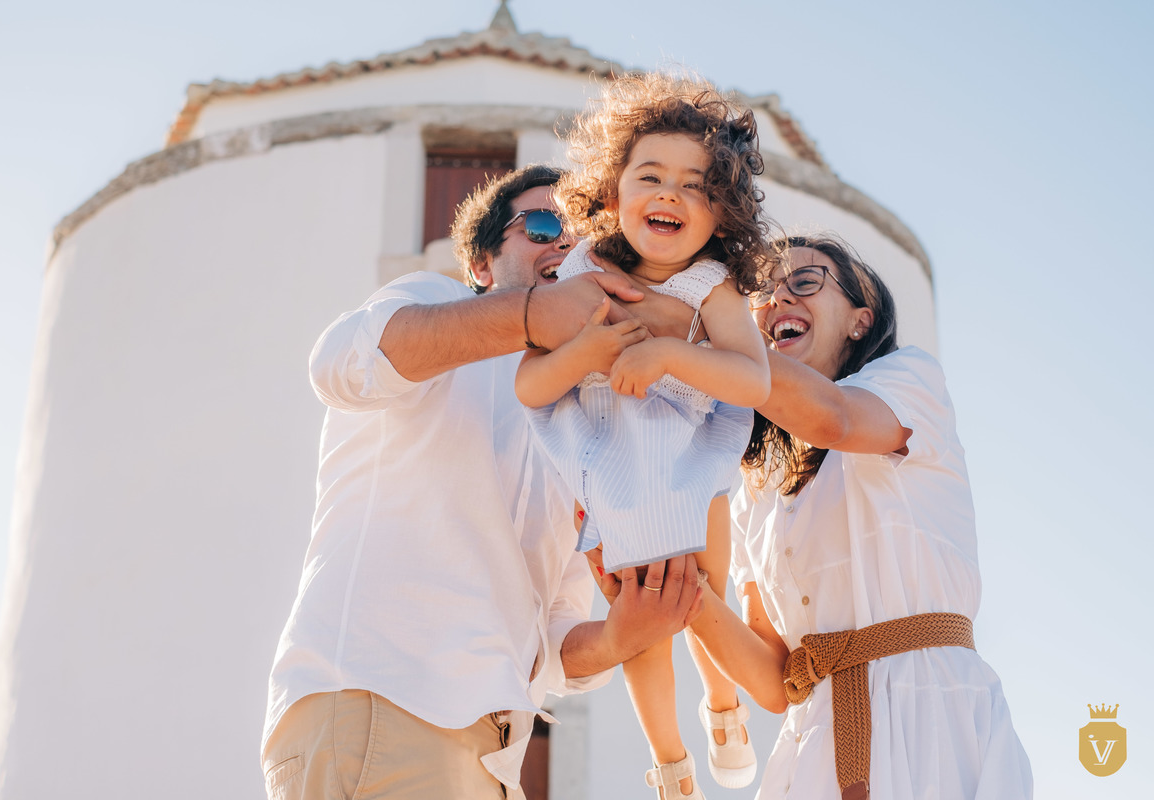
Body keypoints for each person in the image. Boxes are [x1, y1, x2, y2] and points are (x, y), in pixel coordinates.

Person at [260, 164, 706, 800]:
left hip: (491, 757)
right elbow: (341, 364)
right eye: (543, 225)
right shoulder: (431, 303)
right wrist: (531, 316)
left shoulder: (581, 432)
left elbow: (553, 638)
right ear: (480, 264)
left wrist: (618, 638)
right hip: (380, 705)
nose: (566, 244)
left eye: (584, 238)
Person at [686, 234, 1033, 800]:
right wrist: (689, 601)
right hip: (814, 743)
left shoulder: (908, 380)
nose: (778, 300)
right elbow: (776, 680)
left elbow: (835, 419)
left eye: (804, 282)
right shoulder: (759, 485)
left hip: (930, 720)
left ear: (859, 319)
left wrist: (708, 349)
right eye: (765, 294)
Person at [515, 73, 771, 800]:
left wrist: (665, 355)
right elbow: (531, 387)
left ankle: (722, 705)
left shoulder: (714, 285)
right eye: (650, 176)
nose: (670, 194)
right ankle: (670, 763)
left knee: (704, 594)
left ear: (722, 213)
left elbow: (753, 380)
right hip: (612, 466)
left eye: (695, 186)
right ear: (612, 192)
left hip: (691, 452)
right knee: (639, 620)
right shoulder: (579, 273)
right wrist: (587, 353)